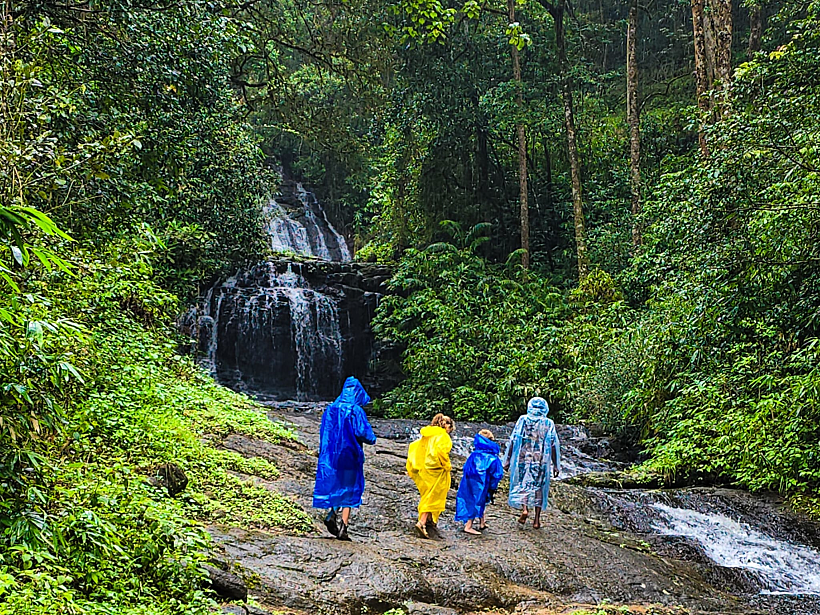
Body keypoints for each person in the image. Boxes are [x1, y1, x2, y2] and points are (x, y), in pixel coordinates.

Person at [313, 376, 377, 541]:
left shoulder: (331, 409)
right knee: (349, 488)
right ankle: (343, 527)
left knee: (340, 483)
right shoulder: (355, 410)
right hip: (350, 453)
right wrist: (372, 438)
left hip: (334, 454)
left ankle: (332, 513)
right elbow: (363, 433)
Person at [503, 396, 561, 529]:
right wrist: (556, 465)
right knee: (539, 487)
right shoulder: (548, 423)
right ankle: (536, 520)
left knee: (524, 483)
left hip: (524, 457)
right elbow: (554, 445)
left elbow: (513, 440)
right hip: (541, 460)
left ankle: (524, 510)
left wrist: (507, 460)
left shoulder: (523, 420)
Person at [406, 413, 455, 539]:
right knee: (434, 496)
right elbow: (440, 452)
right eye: (450, 429)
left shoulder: (427, 434)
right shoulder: (443, 436)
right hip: (436, 469)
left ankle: (429, 520)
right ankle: (422, 522)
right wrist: (447, 465)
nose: (450, 432)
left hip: (424, 469)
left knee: (427, 494)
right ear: (447, 426)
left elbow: (415, 447)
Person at [455, 429, 504, 535]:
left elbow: (466, 468)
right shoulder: (492, 458)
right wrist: (493, 486)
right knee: (477, 500)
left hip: (469, 480)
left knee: (475, 499)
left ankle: (482, 522)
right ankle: (468, 526)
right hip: (483, 482)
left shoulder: (474, 454)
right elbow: (496, 474)